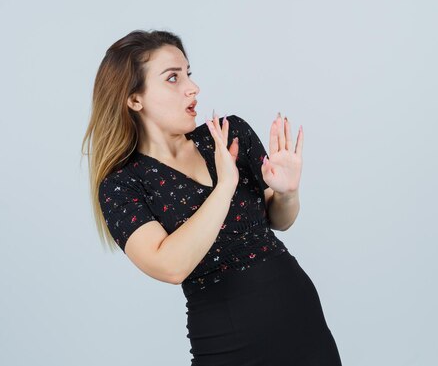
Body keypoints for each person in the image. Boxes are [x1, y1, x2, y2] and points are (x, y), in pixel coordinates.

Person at [82, 29, 342, 366]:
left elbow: (280, 220)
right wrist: (225, 187)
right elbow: (172, 266)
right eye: (172, 78)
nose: (193, 87)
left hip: (300, 318)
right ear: (134, 99)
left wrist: (287, 191)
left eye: (188, 74)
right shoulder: (123, 184)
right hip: (227, 341)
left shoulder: (230, 133)